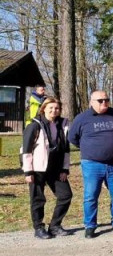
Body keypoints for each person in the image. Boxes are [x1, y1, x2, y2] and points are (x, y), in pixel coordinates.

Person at [69, 90, 113, 238]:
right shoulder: (82, 118)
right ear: (91, 102)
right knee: (90, 196)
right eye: (100, 100)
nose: (104, 103)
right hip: (92, 164)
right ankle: (90, 225)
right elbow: (73, 138)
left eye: (106, 100)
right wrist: (89, 148)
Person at [21, 97, 73, 239]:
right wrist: (28, 171)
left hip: (56, 168)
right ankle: (38, 228)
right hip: (37, 169)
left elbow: (66, 149)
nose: (54, 111)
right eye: (50, 108)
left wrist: (64, 169)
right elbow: (26, 150)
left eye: (56, 108)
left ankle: (55, 225)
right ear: (44, 109)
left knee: (65, 195)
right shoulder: (35, 125)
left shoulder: (63, 124)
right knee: (38, 199)